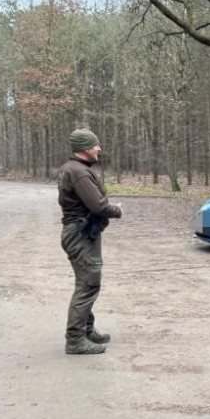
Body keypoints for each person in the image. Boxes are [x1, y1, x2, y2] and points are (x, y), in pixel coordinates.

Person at [58, 128, 123, 355]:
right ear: (86, 148)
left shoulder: (75, 169)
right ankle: (76, 340)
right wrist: (117, 211)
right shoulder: (79, 172)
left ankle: (86, 330)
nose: (99, 148)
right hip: (81, 234)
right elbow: (98, 206)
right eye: (95, 145)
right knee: (87, 286)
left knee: (87, 283)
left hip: (81, 233)